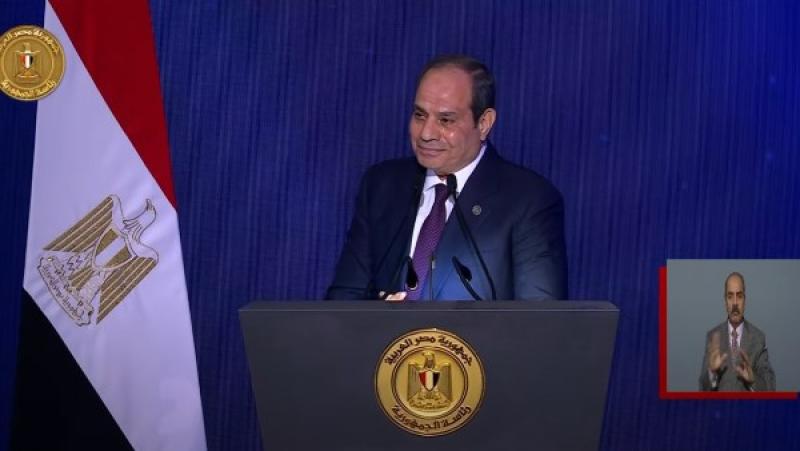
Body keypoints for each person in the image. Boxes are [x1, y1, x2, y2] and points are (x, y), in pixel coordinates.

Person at [326, 54, 567, 301]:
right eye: (419, 115)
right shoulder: (382, 186)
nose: (426, 133)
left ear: (484, 123)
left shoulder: (528, 200)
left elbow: (538, 316)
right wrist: (384, 315)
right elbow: (344, 300)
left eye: (445, 120)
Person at [699, 272, 775, 391]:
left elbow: (770, 387)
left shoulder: (758, 338)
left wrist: (753, 379)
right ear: (725, 301)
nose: (735, 303)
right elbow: (702, 388)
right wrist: (712, 373)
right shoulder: (713, 337)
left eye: (739, 296)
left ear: (745, 300)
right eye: (730, 296)